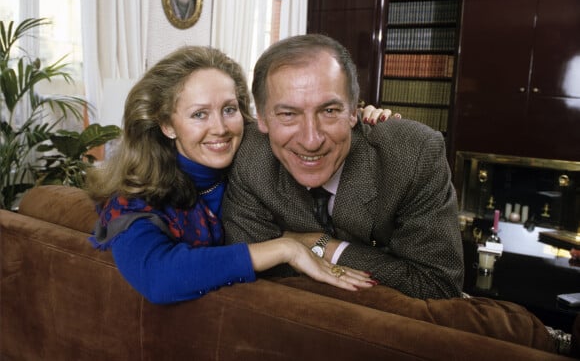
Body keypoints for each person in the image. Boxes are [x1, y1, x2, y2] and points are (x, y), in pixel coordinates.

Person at [86, 45, 392, 304]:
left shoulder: (254, 159)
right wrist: (284, 247)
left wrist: (353, 124)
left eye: (229, 110)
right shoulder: (135, 199)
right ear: (167, 124)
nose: (220, 128)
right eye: (199, 114)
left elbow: (304, 130)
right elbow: (158, 276)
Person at [222, 34, 464, 300]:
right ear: (263, 120)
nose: (311, 140)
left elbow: (438, 287)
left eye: (329, 111)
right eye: (288, 114)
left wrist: (318, 246)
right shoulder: (248, 155)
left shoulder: (413, 155)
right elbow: (251, 270)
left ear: (353, 112)